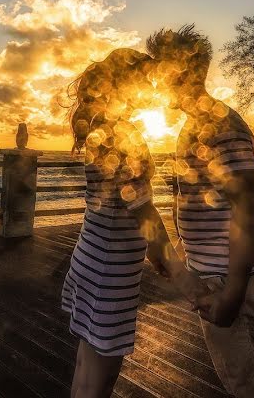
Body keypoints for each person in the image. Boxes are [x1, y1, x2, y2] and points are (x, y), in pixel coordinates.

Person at [146, 26, 254, 398]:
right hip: (213, 274)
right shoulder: (193, 126)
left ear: (183, 71)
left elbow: (245, 214)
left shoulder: (223, 127)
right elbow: (190, 196)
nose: (156, 83)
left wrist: (232, 293)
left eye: (161, 72)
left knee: (249, 384)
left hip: (230, 280)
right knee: (244, 376)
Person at [62, 48, 203, 398]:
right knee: (101, 378)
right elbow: (143, 211)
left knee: (87, 363)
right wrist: (182, 277)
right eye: (145, 81)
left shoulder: (99, 128)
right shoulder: (123, 135)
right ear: (124, 85)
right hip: (109, 270)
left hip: (90, 256)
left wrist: (155, 254)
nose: (152, 89)